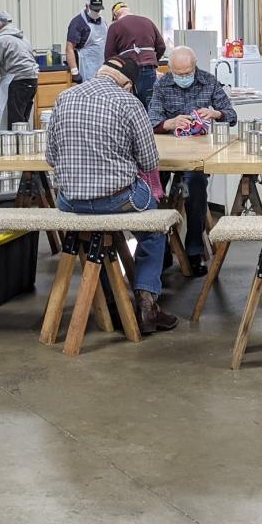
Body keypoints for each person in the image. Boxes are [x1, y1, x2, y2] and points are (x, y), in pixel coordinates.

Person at [46, 54, 177, 332]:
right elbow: (149, 162)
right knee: (154, 230)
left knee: (97, 235)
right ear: (127, 83)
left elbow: (51, 157)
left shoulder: (64, 98)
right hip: (117, 199)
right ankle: (146, 303)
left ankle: (111, 301)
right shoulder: (129, 103)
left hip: (70, 201)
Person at [147, 45, 237, 275]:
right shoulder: (161, 84)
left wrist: (215, 113)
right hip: (166, 152)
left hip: (197, 153)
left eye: (188, 73)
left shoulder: (208, 81)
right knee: (152, 189)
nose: (184, 78)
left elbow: (231, 114)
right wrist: (170, 123)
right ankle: (161, 249)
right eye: (179, 74)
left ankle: (194, 251)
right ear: (170, 70)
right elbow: (152, 120)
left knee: (196, 187)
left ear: (195, 67)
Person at [105, 1, 165, 106]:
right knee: (150, 106)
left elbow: (109, 56)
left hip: (128, 72)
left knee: (130, 106)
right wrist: (152, 61)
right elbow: (161, 47)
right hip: (149, 70)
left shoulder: (115, 26)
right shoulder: (147, 22)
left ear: (115, 15)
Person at [65, 0, 107, 83]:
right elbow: (69, 48)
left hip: (102, 67)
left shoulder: (103, 21)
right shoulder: (78, 23)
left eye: (98, 9)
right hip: (86, 68)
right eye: (94, 9)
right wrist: (74, 72)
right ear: (87, 6)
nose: (96, 11)